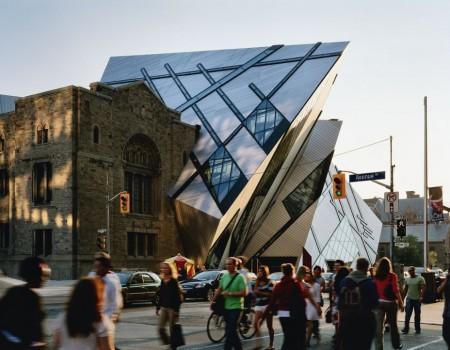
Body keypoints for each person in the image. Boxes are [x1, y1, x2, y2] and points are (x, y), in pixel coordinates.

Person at [264, 263, 319, 350]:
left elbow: (271, 302)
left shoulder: (278, 285)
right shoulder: (295, 284)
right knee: (296, 338)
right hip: (294, 314)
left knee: (288, 338)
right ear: (292, 272)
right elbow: (301, 301)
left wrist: (263, 316)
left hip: (282, 314)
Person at [0, 256, 50, 349]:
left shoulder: (13, 292)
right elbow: (35, 332)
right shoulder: (31, 298)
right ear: (35, 274)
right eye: (43, 274)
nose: (44, 278)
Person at [53, 278, 114, 350]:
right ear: (96, 297)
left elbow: (56, 344)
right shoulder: (100, 320)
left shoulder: (62, 317)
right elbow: (106, 348)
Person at [338, 257, 378, 350]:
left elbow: (340, 304)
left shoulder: (344, 281)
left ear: (356, 266)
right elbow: (375, 303)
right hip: (364, 322)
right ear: (367, 268)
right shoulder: (369, 283)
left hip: (347, 321)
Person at [211, 257, 247, 350]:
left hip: (237, 307)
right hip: (226, 307)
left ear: (235, 265)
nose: (228, 266)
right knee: (230, 331)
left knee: (231, 330)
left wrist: (230, 293)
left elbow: (244, 292)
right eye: (226, 264)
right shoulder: (225, 276)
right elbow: (219, 289)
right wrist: (213, 301)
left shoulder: (240, 277)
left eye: (230, 264)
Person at [373, 257, 404, 350]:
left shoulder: (376, 276)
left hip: (379, 303)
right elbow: (396, 291)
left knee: (378, 328)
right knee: (393, 325)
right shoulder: (392, 276)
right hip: (391, 303)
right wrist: (401, 303)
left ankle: (378, 348)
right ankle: (396, 345)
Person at [156, 262, 183, 349]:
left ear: (169, 269)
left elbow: (178, 298)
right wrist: (157, 307)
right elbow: (161, 295)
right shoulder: (162, 281)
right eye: (162, 268)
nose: (164, 270)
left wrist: (176, 311)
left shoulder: (173, 281)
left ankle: (173, 346)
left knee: (173, 330)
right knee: (160, 328)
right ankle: (170, 343)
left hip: (172, 309)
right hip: (164, 307)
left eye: (166, 268)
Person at [91, 253, 123, 322]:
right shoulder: (92, 277)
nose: (97, 270)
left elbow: (115, 304)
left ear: (106, 267)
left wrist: (110, 318)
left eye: (99, 266)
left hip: (106, 320)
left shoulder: (112, 283)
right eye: (96, 266)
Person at [253, 265, 274, 350]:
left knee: (269, 326)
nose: (259, 273)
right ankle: (259, 342)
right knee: (255, 324)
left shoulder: (270, 282)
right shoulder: (257, 281)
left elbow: (271, 294)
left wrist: (260, 293)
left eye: (261, 271)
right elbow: (255, 292)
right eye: (258, 271)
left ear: (265, 272)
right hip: (259, 304)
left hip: (267, 305)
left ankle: (271, 345)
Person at [402, 266, 426, 335]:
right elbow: (405, 290)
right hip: (409, 299)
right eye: (409, 271)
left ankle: (417, 329)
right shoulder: (407, 279)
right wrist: (402, 299)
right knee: (407, 314)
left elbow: (423, 287)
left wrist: (421, 296)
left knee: (417, 315)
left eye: (411, 271)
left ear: (414, 271)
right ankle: (406, 329)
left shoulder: (420, 278)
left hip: (417, 299)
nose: (410, 272)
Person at [302, 269, 322, 347]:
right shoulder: (304, 284)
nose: (307, 277)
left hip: (313, 305)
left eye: (308, 275)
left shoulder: (317, 285)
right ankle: (309, 337)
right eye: (305, 276)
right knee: (307, 324)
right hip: (305, 305)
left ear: (311, 276)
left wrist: (318, 307)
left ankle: (307, 341)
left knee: (310, 322)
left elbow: (318, 298)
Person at [437, 272, 450, 347]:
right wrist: (446, 279)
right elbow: (438, 290)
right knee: (445, 334)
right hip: (447, 313)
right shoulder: (447, 281)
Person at [312, 266, 325, 340]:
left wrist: (321, 289)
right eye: (315, 271)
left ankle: (315, 330)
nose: (317, 272)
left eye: (318, 271)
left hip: (318, 298)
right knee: (311, 316)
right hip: (310, 299)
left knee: (316, 315)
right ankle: (314, 330)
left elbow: (324, 288)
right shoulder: (310, 278)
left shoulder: (321, 279)